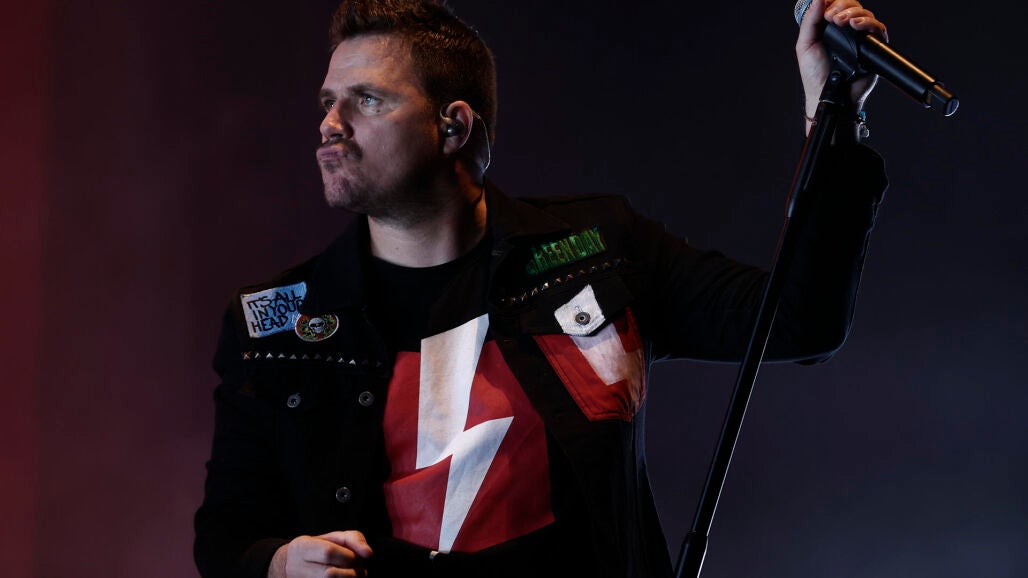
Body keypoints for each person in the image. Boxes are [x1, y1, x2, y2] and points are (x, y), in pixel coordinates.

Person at [194, 1, 889, 577]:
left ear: (453, 126)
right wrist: (277, 564)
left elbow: (799, 321)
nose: (329, 124)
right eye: (327, 102)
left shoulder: (602, 250)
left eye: (366, 100)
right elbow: (226, 539)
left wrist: (833, 112)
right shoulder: (273, 325)